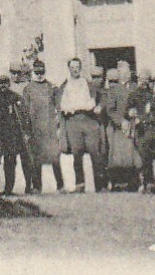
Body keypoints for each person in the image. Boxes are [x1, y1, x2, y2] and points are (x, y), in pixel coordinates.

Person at [58, 57, 106, 193]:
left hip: (89, 120)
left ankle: (100, 185)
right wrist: (69, 108)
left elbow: (100, 98)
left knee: (94, 152)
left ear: (81, 68)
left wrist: (99, 107)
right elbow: (61, 104)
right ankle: (80, 184)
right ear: (69, 69)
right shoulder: (65, 85)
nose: (75, 70)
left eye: (77, 67)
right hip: (73, 121)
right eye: (72, 67)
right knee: (76, 153)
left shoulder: (88, 83)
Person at [21, 59, 64, 194]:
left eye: (42, 72)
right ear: (33, 72)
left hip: (50, 129)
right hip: (35, 129)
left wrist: (58, 123)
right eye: (37, 72)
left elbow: (59, 107)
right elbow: (24, 111)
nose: (40, 75)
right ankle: (37, 186)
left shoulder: (51, 87)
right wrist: (27, 130)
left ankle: (60, 185)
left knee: (54, 157)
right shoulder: (28, 89)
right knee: (36, 159)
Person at [128, 70, 155, 193]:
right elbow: (127, 111)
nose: (144, 82)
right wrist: (132, 114)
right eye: (142, 80)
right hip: (142, 130)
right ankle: (149, 184)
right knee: (145, 159)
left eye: (147, 80)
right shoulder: (133, 96)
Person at [0, 75, 29, 195]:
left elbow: (22, 116)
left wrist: (23, 132)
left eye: (5, 83)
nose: (2, 85)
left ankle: (8, 189)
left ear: (9, 84)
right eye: (0, 83)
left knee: (10, 163)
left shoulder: (15, 97)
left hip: (11, 136)